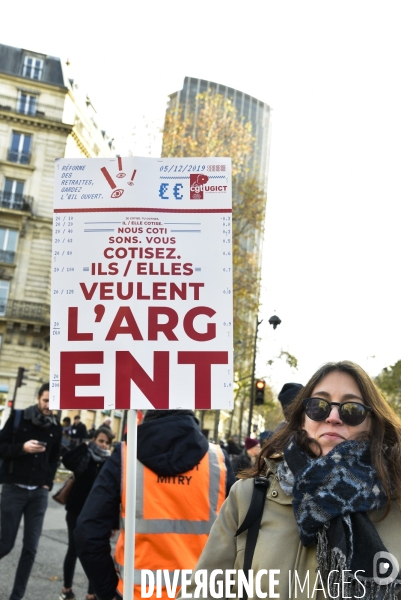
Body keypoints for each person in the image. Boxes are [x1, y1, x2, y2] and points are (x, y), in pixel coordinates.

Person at [181, 361, 401, 599]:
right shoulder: (247, 497)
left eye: (352, 410)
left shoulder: (395, 501)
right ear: (302, 419)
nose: (334, 417)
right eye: (319, 406)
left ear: (373, 422)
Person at [75, 409, 236, 600]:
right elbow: (241, 537)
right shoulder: (218, 460)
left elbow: (88, 532)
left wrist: (107, 591)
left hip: (135, 594)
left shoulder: (127, 455)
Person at [0, 383, 62, 600]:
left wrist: (47, 484)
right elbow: (1, 447)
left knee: (31, 549)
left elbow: (54, 459)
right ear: (38, 398)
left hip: (38, 494)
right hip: (13, 490)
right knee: (5, 544)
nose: (48, 405)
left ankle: (16, 596)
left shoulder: (56, 427)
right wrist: (22, 448)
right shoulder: (19, 418)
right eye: (45, 400)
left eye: (52, 402)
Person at [59, 426, 113, 600]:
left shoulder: (109, 462)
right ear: (94, 440)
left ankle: (92, 593)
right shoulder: (85, 455)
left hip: (98, 515)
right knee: (73, 550)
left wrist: (114, 523)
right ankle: (67, 588)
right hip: (76, 511)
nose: (104, 445)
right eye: (101, 441)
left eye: (107, 442)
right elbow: (67, 460)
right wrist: (85, 446)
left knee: (97, 554)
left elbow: (114, 494)